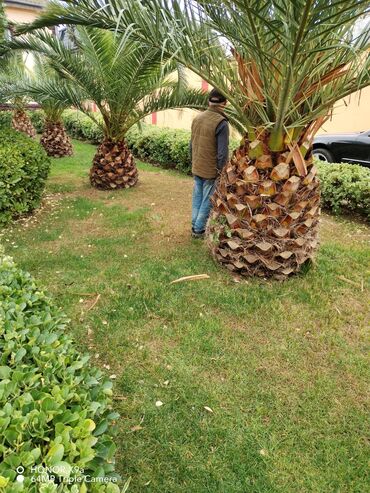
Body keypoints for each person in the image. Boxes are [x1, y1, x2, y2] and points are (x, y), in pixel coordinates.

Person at [190, 88, 229, 239]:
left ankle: (194, 224)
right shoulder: (221, 123)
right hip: (210, 170)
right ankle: (198, 230)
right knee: (207, 199)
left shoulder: (197, 118)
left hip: (197, 165)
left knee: (197, 196)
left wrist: (193, 162)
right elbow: (222, 152)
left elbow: (191, 144)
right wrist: (221, 171)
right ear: (225, 103)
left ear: (209, 101)